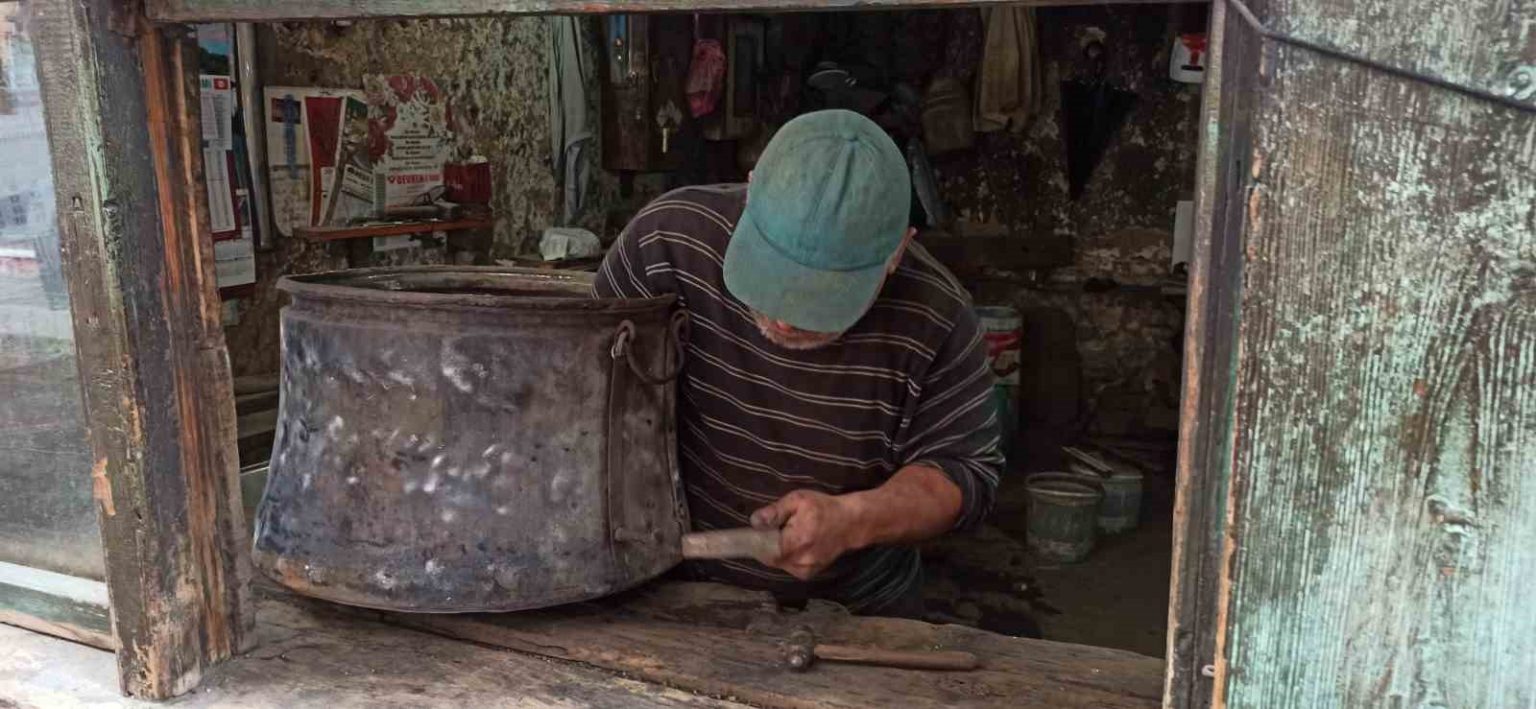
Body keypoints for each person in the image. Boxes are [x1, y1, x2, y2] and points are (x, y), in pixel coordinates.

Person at [593, 109, 1002, 617]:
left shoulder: (939, 317)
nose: (784, 318)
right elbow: (586, 392)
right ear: (750, 192)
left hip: (852, 606)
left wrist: (853, 519)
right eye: (771, 273)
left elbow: (965, 472)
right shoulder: (667, 242)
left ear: (897, 251)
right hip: (669, 585)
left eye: (820, 295)